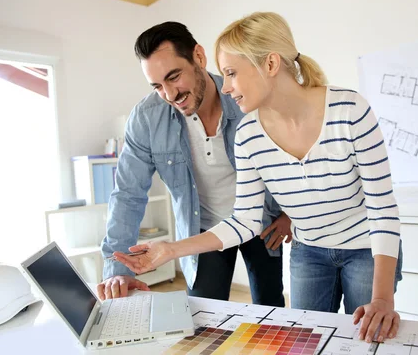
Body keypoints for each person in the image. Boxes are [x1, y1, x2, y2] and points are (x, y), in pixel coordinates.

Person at [113, 12, 403, 343]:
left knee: (365, 339)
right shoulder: (249, 133)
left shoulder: (350, 110)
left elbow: (382, 209)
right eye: (224, 75)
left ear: (270, 64)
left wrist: (382, 298)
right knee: (303, 341)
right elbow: (245, 221)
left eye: (232, 73)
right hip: (308, 252)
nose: (226, 86)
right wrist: (170, 250)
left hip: (365, 248)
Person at [98, 21, 290, 307]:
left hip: (260, 223)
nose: (170, 94)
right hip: (202, 230)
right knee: (202, 315)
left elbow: (287, 157)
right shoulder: (146, 118)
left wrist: (289, 213)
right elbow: (128, 194)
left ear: (199, 57)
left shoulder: (244, 98)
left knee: (270, 307)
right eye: (157, 86)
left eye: (174, 77)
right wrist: (118, 270)